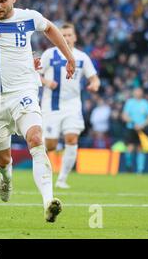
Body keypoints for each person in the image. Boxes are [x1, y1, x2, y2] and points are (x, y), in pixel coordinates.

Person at [0, 0, 76, 222]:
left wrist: (69, 57)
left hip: (23, 92)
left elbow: (50, 28)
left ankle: (49, 201)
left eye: (2, 1)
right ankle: (6, 177)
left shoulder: (28, 17)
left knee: (36, 139)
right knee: (3, 159)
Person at [40, 22, 100, 189]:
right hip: (51, 106)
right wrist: (46, 81)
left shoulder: (82, 57)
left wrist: (94, 84)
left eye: (69, 35)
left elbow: (93, 77)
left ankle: (62, 179)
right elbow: (34, 74)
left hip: (72, 105)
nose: (66, 38)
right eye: (63, 35)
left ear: (75, 37)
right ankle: (42, 171)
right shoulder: (48, 55)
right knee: (50, 145)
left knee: (72, 138)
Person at [122, 87, 148, 174]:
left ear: (142, 93)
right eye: (136, 91)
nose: (138, 93)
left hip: (142, 129)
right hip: (131, 128)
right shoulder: (129, 103)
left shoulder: (146, 103)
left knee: (141, 149)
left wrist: (142, 125)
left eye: (139, 91)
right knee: (130, 148)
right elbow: (124, 115)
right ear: (133, 93)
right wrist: (133, 123)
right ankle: (129, 167)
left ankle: (140, 170)